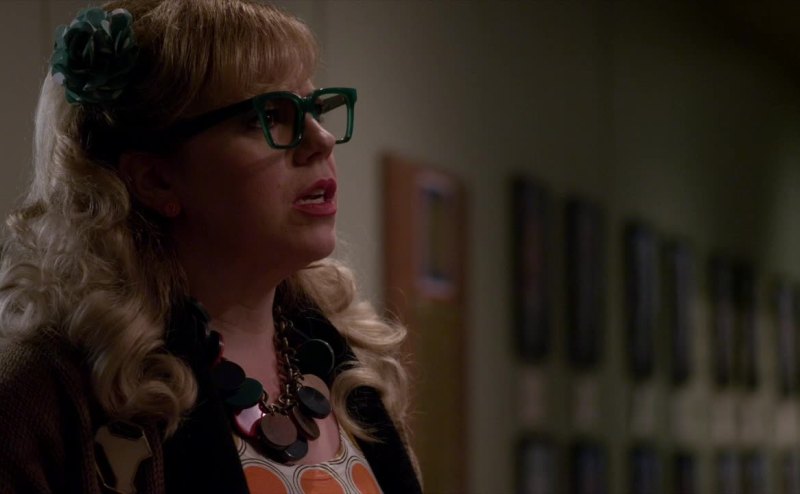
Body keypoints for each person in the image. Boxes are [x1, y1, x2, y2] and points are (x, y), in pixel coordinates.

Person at [0, 1, 422, 493]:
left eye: (315, 109)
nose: (322, 140)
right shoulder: (46, 393)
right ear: (155, 179)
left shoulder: (349, 364)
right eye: (269, 115)